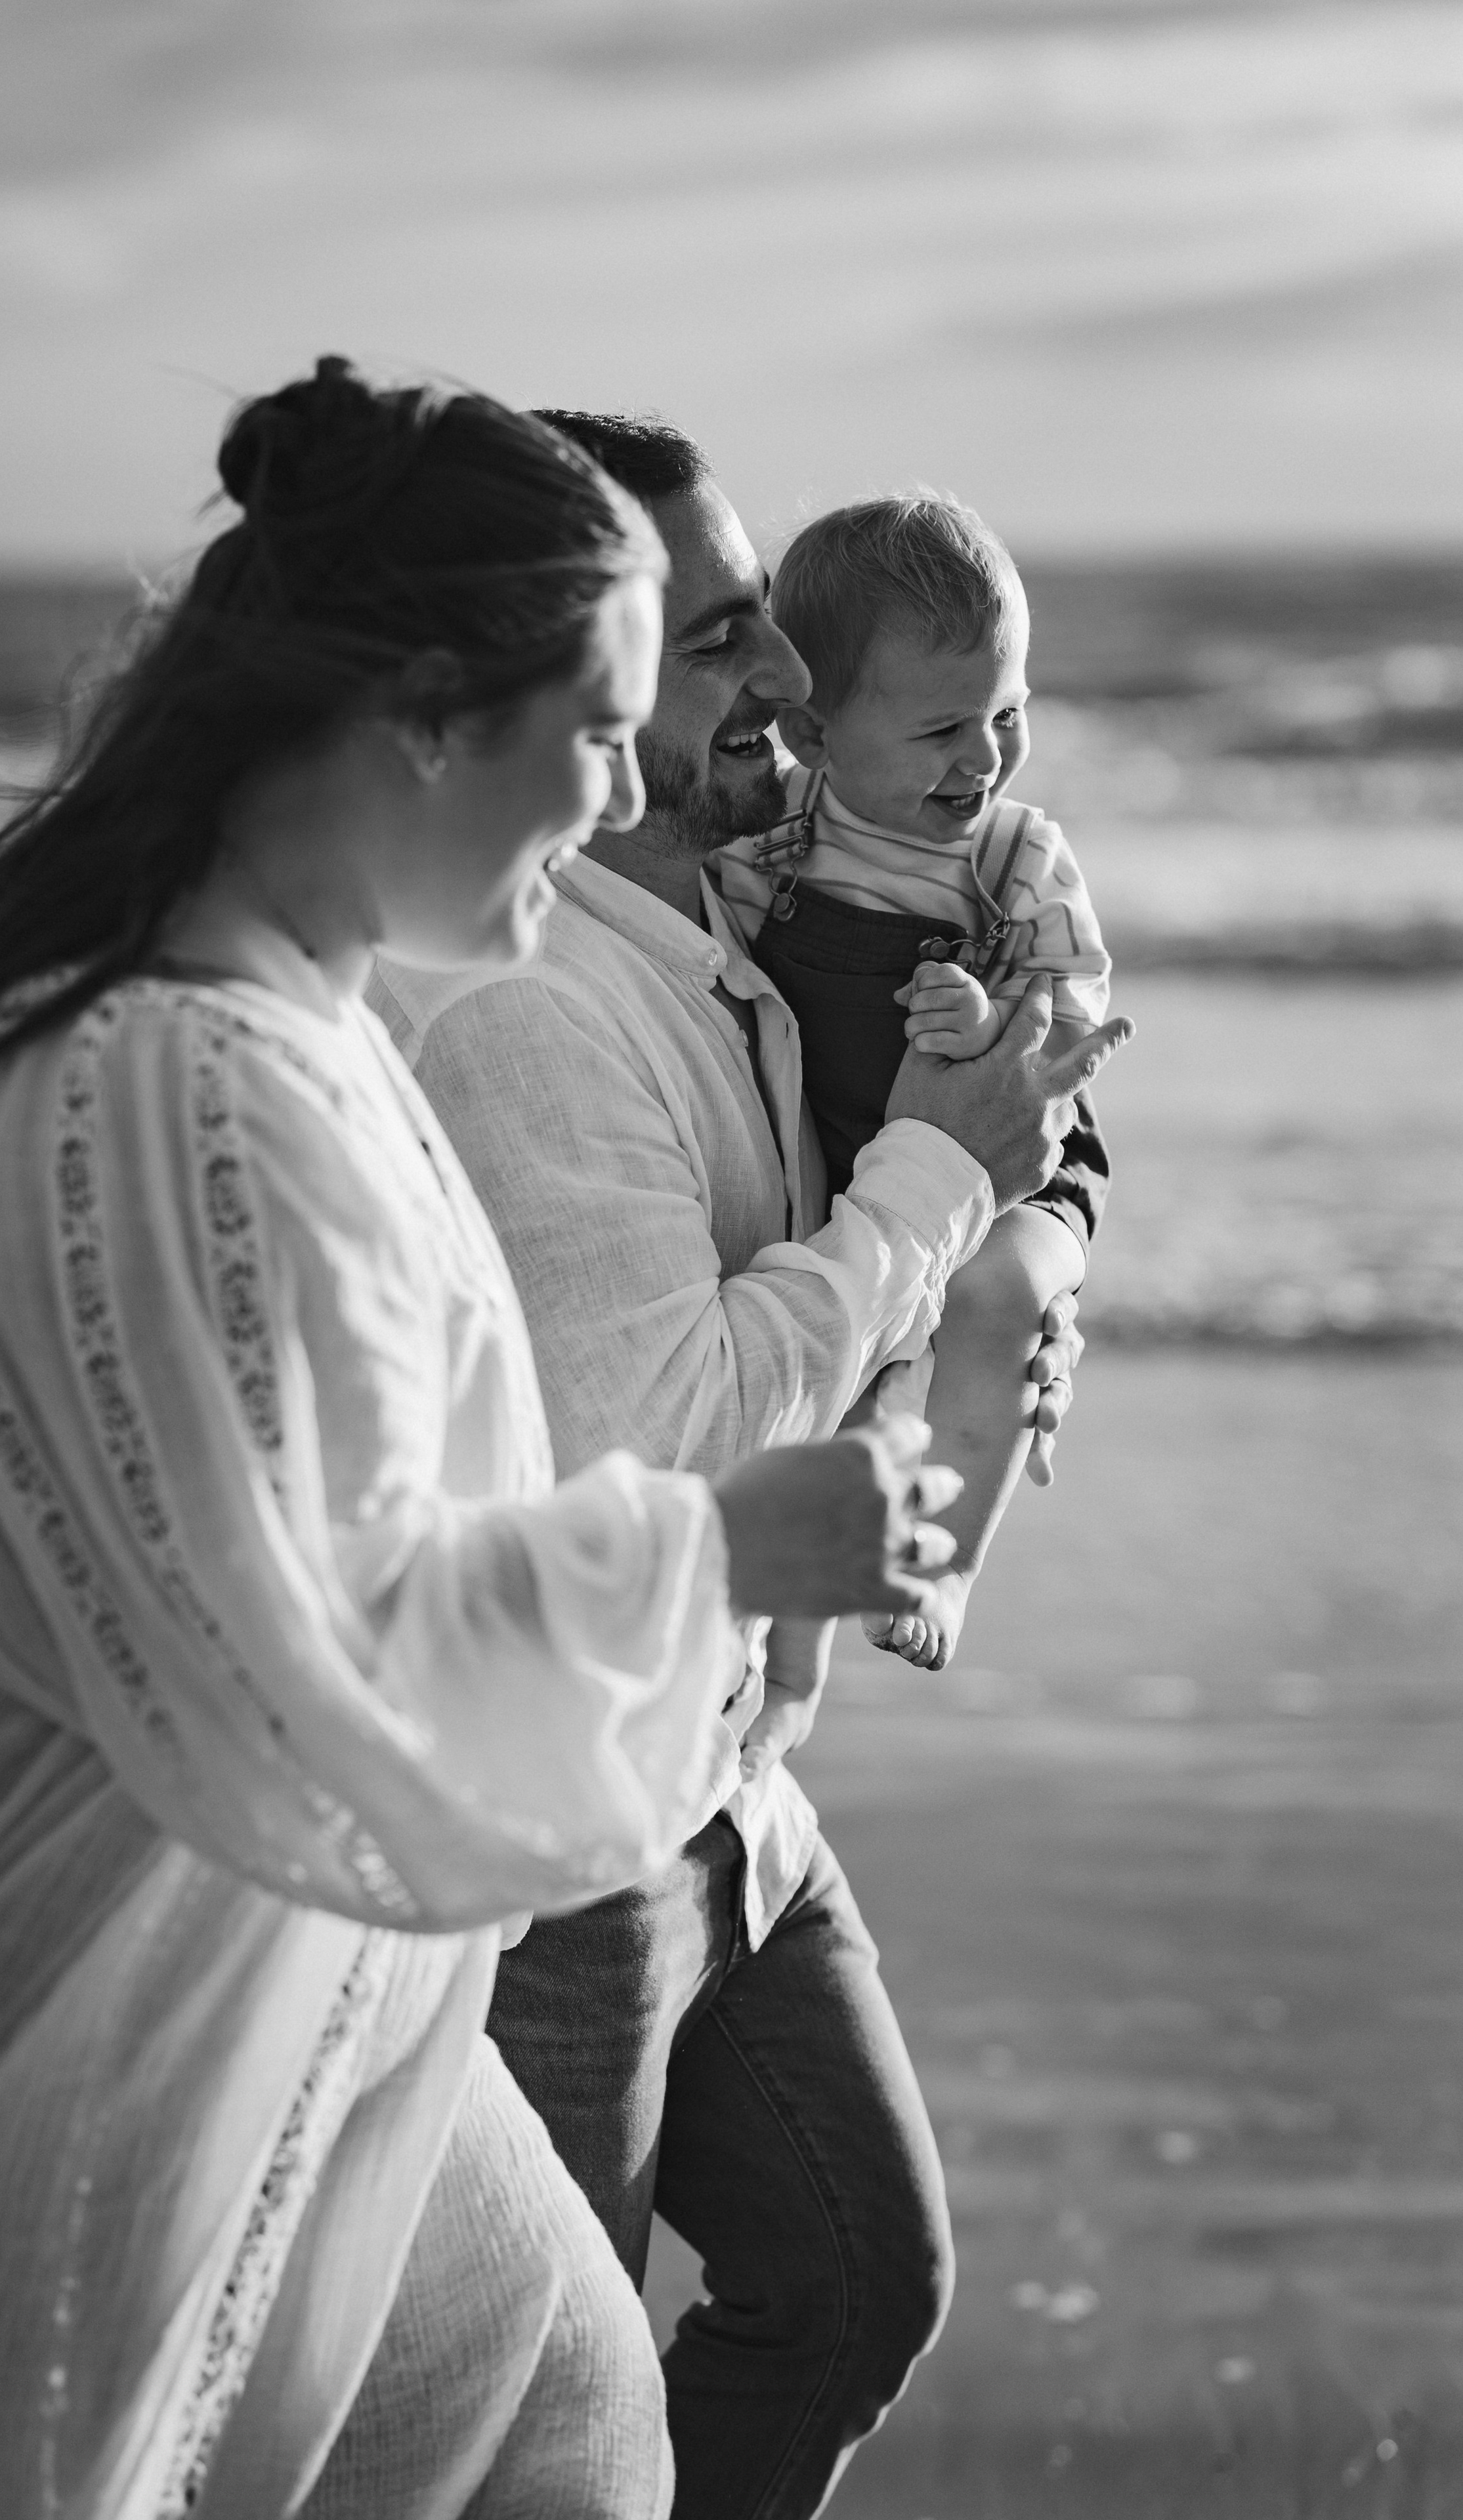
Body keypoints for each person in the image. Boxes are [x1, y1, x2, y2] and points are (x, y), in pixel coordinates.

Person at [0, 362, 962, 2520]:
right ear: (429, 712)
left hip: (313, 2023)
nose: (626, 789)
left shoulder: (293, 1030)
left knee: (566, 2412)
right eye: (598, 726)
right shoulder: (168, 1092)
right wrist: (726, 1543)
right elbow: (292, 1659)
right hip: (54, 2065)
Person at [369, 411, 1132, 2520]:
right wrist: (925, 1203)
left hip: (731, 1781)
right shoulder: (525, 1018)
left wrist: (1008, 1267)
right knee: (550, 2414)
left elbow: (960, 1184)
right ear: (583, 684)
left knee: (859, 2278)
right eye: (728, 640)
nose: (786, 684)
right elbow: (679, 1439)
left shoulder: (733, 941)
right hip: (569, 1846)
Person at [715, 492, 1113, 1671]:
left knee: (995, 1302)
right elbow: (714, 975)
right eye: (943, 730)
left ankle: (946, 1566)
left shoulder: (1015, 856)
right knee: (831, 1400)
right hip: (846, 1151)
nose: (985, 757)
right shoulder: (768, 847)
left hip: (1022, 1170)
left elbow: (1077, 1026)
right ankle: (787, 1676)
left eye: (1009, 712)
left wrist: (999, 1018)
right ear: (813, 734)